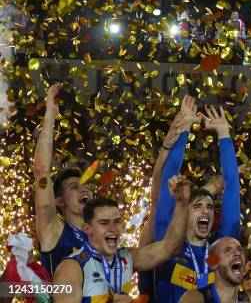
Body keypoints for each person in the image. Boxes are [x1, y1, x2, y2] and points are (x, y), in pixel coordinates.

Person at [143, 100, 241, 302]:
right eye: (197, 207)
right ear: (185, 212)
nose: (206, 211)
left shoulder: (219, 249)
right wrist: (184, 129)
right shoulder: (167, 241)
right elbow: (168, 179)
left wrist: (223, 134)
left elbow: (232, 186)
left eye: (210, 207)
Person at [52, 175, 191, 303]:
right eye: (104, 223)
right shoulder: (71, 268)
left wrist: (182, 203)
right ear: (87, 229)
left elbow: (170, 247)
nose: (113, 228)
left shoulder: (127, 258)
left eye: (117, 221)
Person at [33, 83, 94, 275]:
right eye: (75, 187)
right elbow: (42, 170)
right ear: (60, 201)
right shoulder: (55, 231)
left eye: (86, 186)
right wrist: (50, 114)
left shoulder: (104, 235)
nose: (84, 190)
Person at [178, 237, 251, 303]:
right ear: (213, 263)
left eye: (239, 249)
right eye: (227, 250)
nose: (238, 253)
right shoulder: (195, 299)